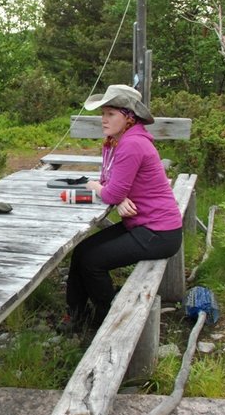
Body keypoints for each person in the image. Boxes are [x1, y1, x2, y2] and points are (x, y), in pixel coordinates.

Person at [65, 85, 183, 329]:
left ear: (128, 116)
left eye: (111, 114)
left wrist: (100, 189)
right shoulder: (117, 141)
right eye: (103, 113)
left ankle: (107, 316)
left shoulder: (132, 144)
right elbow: (111, 184)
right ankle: (75, 315)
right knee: (81, 251)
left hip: (158, 232)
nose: (104, 119)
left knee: (92, 261)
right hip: (142, 223)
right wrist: (115, 195)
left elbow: (109, 190)